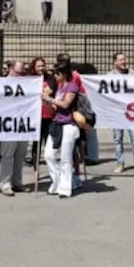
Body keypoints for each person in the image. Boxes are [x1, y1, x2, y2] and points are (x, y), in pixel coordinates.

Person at [44, 62, 82, 196]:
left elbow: (66, 104)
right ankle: (58, 181)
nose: (54, 76)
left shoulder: (72, 86)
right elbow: (53, 110)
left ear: (63, 74)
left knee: (65, 157)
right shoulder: (59, 88)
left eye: (56, 74)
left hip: (68, 124)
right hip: (56, 124)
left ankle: (65, 188)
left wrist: (50, 99)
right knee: (48, 154)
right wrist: (46, 101)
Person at [109, 53, 134, 174]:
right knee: (117, 139)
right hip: (117, 112)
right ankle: (120, 163)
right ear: (115, 62)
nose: (123, 62)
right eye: (120, 60)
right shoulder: (110, 76)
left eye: (124, 59)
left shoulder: (132, 74)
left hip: (131, 111)